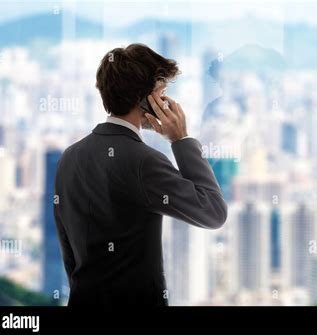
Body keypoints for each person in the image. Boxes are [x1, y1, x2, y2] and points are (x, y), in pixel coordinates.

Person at [53, 43, 227, 307]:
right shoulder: (144, 161)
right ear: (144, 98)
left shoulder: (69, 157)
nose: (169, 103)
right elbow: (213, 212)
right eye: (162, 93)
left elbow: (70, 256)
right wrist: (181, 140)